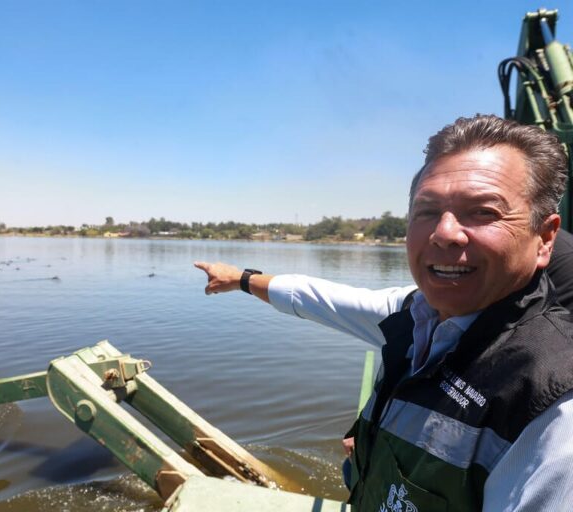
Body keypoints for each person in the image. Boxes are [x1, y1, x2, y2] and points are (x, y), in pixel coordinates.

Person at [195, 115, 573, 511]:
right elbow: (320, 298)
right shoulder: (413, 315)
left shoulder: (552, 406)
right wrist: (241, 279)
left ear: (545, 237)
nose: (444, 232)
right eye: (426, 211)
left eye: (482, 211)